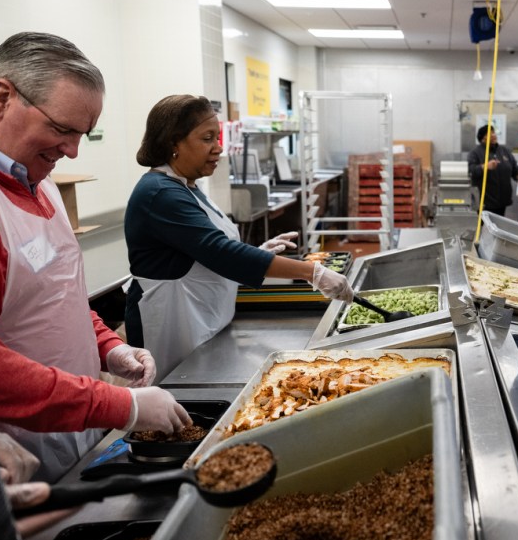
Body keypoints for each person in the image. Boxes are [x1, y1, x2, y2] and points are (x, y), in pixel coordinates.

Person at [0, 31, 190, 483]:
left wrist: (108, 346)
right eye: (62, 129)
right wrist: (117, 404)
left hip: (68, 430)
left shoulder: (33, 177)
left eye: (82, 134)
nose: (72, 150)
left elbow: (50, 297)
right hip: (0, 452)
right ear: (3, 98)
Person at [124, 94, 355, 377]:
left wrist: (258, 251)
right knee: (169, 404)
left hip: (198, 319)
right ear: (174, 142)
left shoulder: (186, 186)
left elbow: (203, 250)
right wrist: (314, 273)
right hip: (169, 329)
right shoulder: (160, 192)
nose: (218, 148)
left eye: (217, 138)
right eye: (207, 138)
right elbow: (219, 252)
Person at [468, 124, 518, 217]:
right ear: (482, 138)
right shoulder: (475, 153)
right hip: (485, 201)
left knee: (499, 226)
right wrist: (485, 166)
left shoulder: (504, 151)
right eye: (489, 134)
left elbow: (514, 169)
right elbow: (472, 171)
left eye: (494, 132)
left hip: (502, 201)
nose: (494, 135)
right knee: (485, 228)